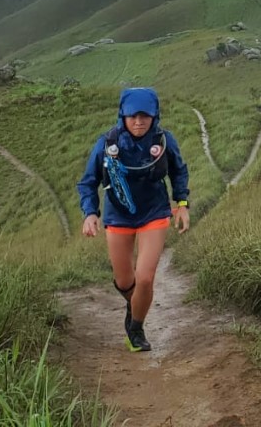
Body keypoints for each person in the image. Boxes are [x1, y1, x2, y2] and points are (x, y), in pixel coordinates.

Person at [78, 87, 190, 352]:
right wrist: (90, 213)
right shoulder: (107, 143)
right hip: (118, 215)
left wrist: (182, 204)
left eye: (145, 116)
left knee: (145, 278)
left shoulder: (164, 141)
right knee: (125, 282)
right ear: (122, 115)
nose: (139, 121)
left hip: (154, 212)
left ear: (155, 116)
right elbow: (88, 182)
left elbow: (179, 172)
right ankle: (134, 303)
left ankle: (136, 329)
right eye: (132, 116)